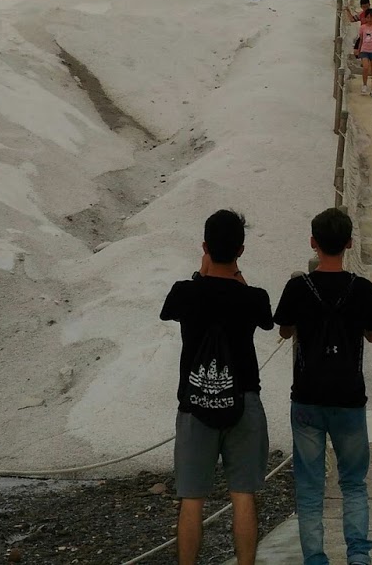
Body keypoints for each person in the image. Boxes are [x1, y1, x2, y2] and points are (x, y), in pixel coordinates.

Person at [160, 211, 275, 565]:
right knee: (243, 496)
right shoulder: (254, 297)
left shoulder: (184, 293)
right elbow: (266, 321)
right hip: (244, 400)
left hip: (195, 403)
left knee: (191, 499)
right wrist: (236, 274)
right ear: (241, 250)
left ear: (205, 247)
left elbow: (168, 311)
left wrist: (201, 274)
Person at [274, 208, 372, 565]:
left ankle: (315, 558)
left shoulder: (298, 287)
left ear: (313, 242)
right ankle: (358, 556)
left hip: (307, 397)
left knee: (309, 487)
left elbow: (284, 330)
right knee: (353, 483)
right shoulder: (362, 288)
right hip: (349, 396)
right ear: (349, 243)